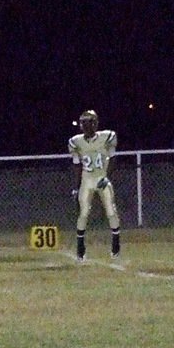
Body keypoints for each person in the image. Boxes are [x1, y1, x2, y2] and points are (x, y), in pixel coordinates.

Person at [68, 109, 121, 262]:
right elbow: (77, 165)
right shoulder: (75, 142)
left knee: (111, 211)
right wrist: (76, 186)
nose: (86, 126)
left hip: (101, 178)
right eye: (83, 123)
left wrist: (106, 176)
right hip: (87, 179)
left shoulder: (107, 137)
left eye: (89, 123)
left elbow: (112, 158)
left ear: (95, 123)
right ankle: (80, 247)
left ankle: (116, 243)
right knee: (83, 213)